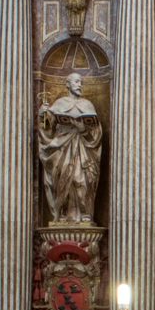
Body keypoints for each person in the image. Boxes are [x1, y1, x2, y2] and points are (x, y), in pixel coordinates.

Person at [37, 72, 103, 224]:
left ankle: (86, 214)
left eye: (81, 82)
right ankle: (62, 214)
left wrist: (83, 129)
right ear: (68, 84)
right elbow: (48, 129)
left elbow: (97, 132)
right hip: (62, 148)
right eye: (76, 82)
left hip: (82, 148)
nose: (80, 85)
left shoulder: (88, 105)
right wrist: (43, 116)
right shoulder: (59, 103)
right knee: (63, 178)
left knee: (81, 180)